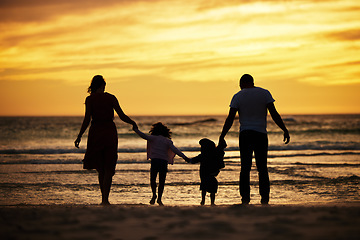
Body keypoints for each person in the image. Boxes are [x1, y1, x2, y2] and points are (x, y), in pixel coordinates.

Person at [219, 74, 290, 205]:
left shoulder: (238, 96)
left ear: (242, 83)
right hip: (261, 134)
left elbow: (230, 118)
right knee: (262, 167)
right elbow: (274, 113)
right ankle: (265, 198)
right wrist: (284, 129)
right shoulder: (264, 93)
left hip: (245, 134)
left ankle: (245, 198)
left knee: (245, 168)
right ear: (252, 82)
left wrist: (222, 135)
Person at [74, 75, 137, 205]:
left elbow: (87, 119)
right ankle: (105, 200)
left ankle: (104, 199)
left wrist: (80, 135)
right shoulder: (111, 98)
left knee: (100, 167)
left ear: (93, 86)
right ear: (103, 85)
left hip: (96, 132)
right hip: (109, 132)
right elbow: (121, 115)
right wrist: (133, 123)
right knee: (109, 167)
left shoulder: (90, 99)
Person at [133, 122, 189, 206]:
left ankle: (154, 195)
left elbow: (143, 136)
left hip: (155, 161)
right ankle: (159, 199)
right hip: (163, 162)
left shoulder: (153, 138)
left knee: (153, 179)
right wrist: (185, 157)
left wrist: (136, 130)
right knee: (162, 181)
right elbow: (175, 150)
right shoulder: (167, 141)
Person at [188, 138, 226, 206]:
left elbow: (193, 160)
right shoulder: (215, 154)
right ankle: (211, 202)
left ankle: (203, 201)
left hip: (204, 173)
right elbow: (221, 151)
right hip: (211, 173)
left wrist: (187, 160)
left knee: (204, 187)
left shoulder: (203, 155)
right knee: (212, 188)